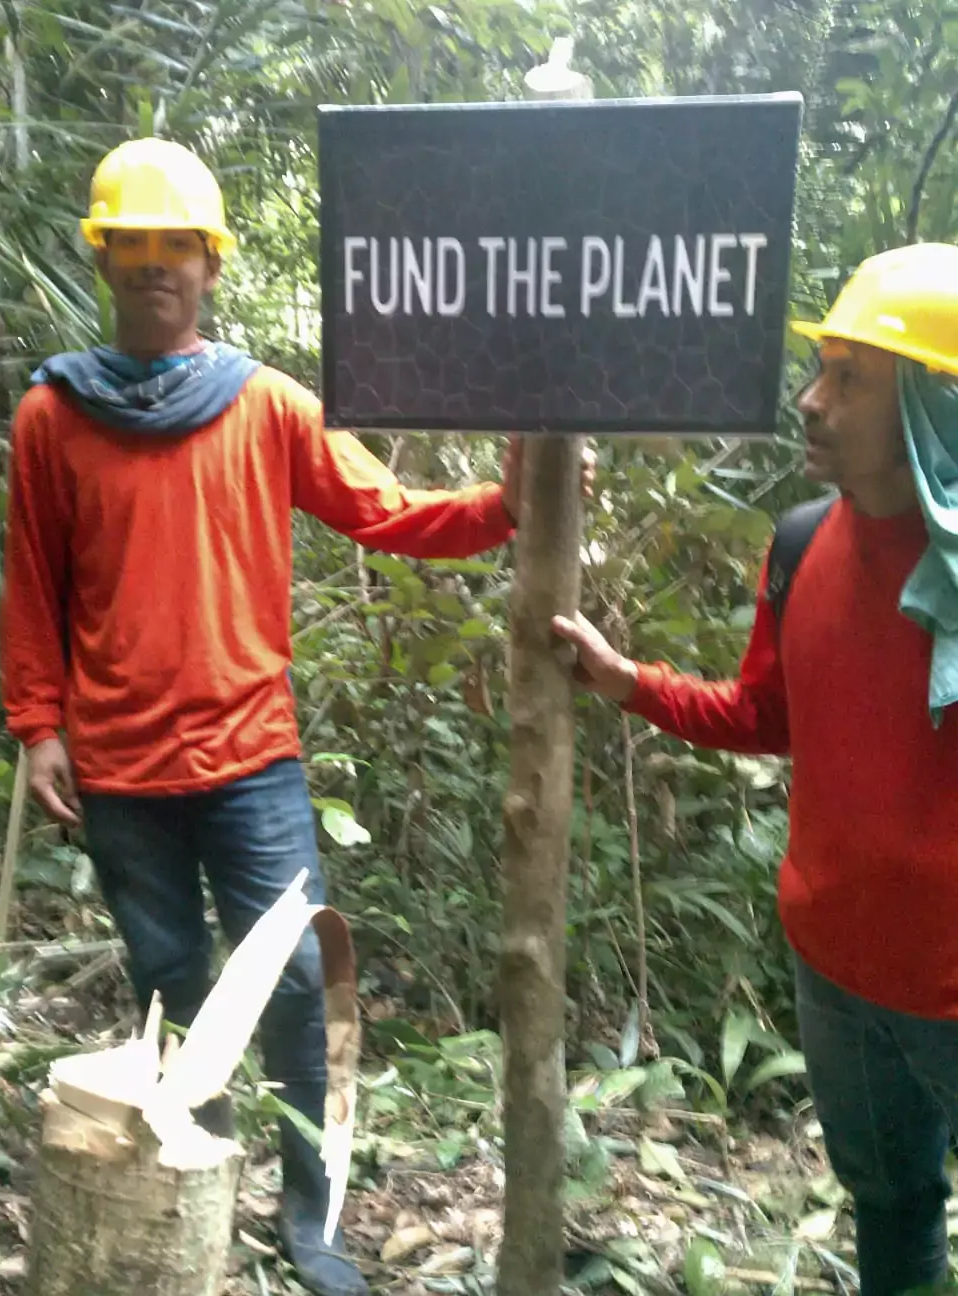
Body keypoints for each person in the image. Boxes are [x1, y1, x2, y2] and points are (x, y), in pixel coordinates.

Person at [0, 137, 593, 1296]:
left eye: (178, 244)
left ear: (212, 265)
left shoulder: (263, 404)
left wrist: (501, 506)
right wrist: (37, 724)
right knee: (173, 993)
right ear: (105, 256)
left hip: (251, 758)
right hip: (119, 768)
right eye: (133, 243)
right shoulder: (52, 417)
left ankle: (312, 1223)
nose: (155, 263)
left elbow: (382, 509)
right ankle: (198, 1178)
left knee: (295, 994)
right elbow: (33, 586)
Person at [553, 240, 958, 1296]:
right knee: (892, 1212)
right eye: (819, 370)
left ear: (932, 400)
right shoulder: (800, 543)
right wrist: (625, 679)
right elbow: (768, 713)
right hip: (836, 972)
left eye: (851, 379)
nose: (813, 402)